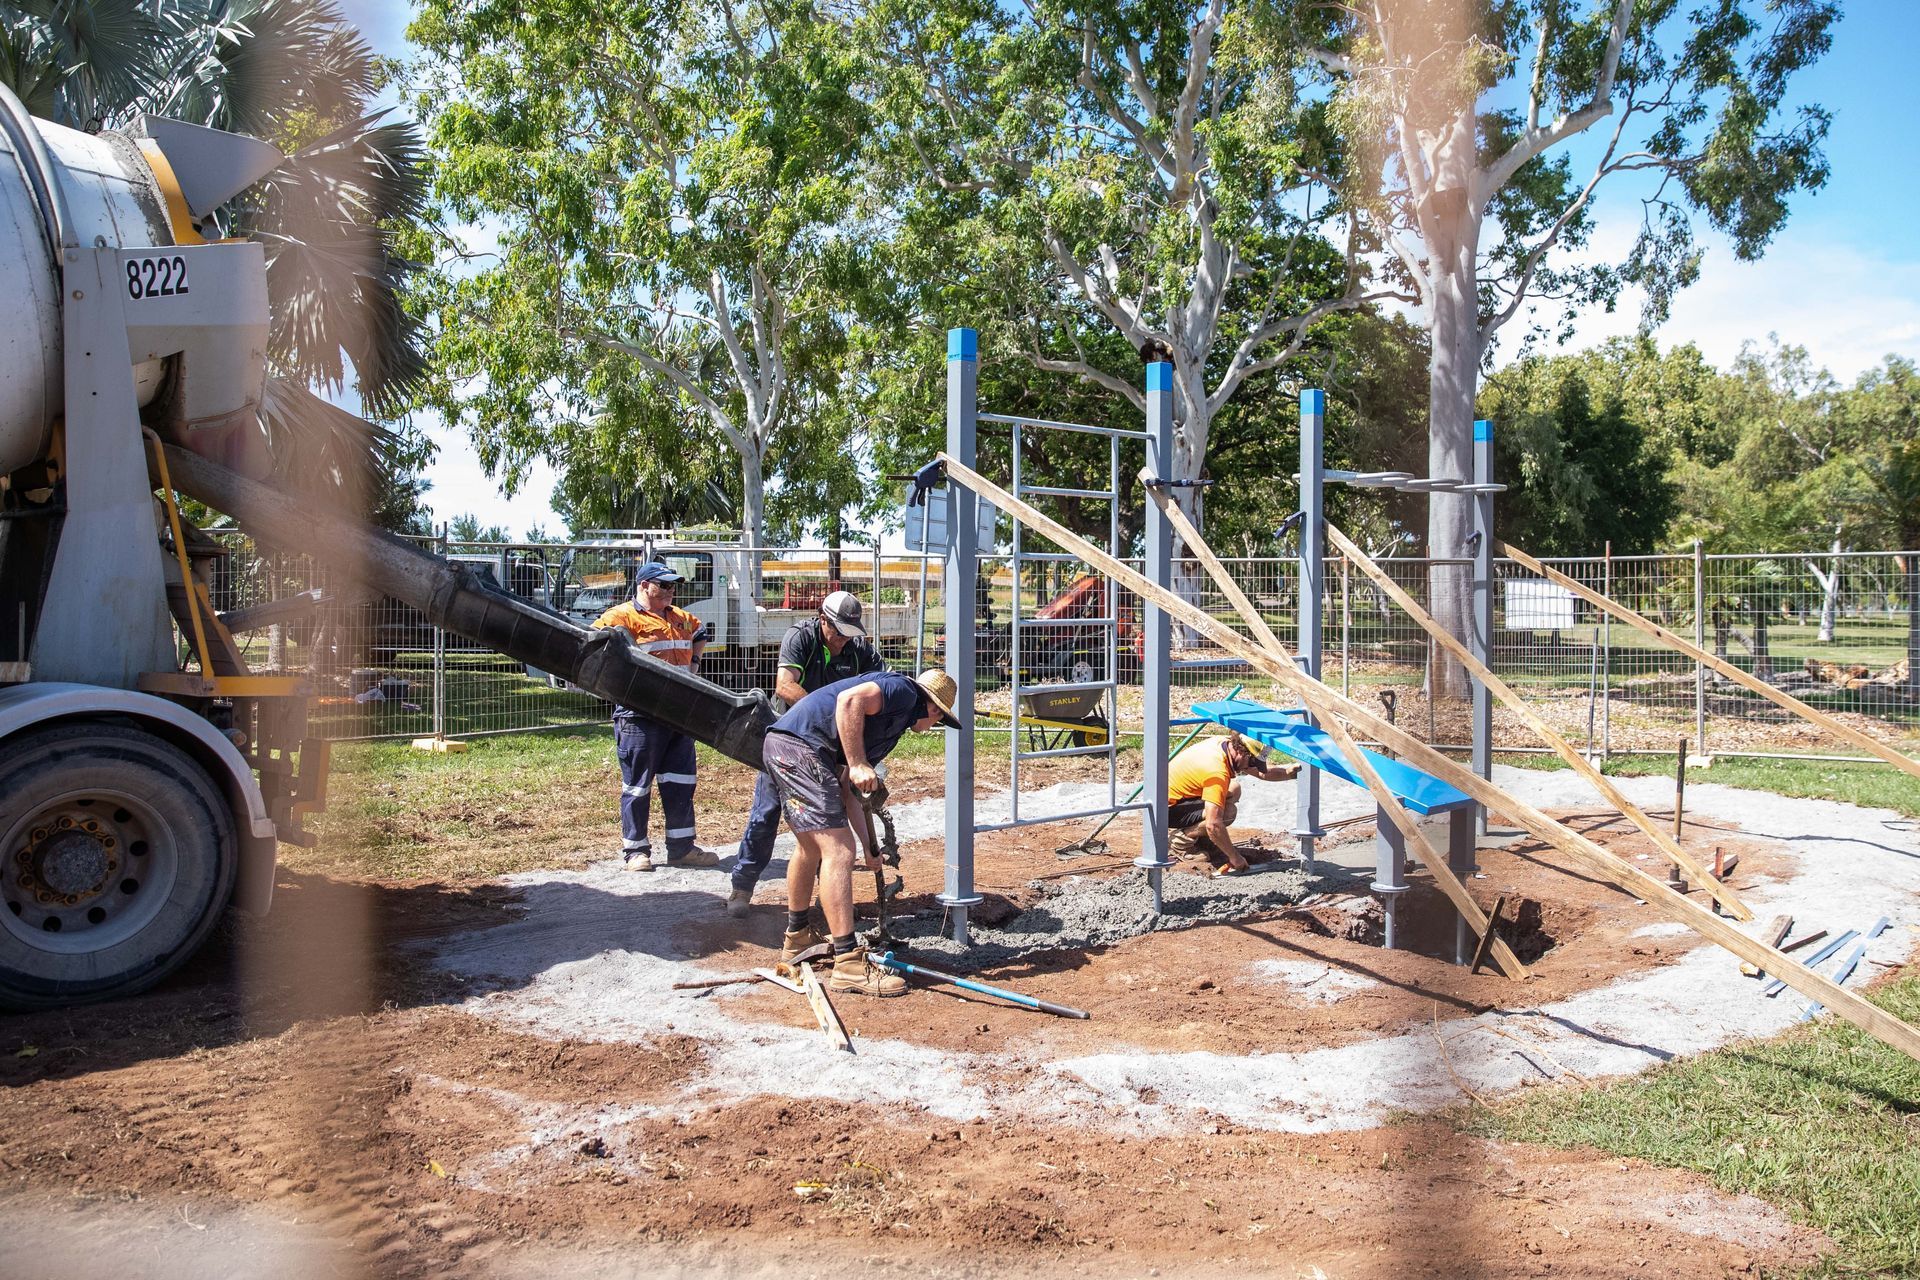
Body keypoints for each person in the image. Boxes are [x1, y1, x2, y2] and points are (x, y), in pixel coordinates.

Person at [761, 668, 962, 996]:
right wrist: (857, 763)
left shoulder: (890, 728)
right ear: (934, 708)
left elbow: (849, 791)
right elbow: (849, 700)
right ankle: (848, 964)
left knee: (811, 847)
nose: (933, 726)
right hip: (802, 749)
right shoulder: (903, 692)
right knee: (839, 850)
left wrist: (870, 847)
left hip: (787, 746)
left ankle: (797, 936)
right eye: (939, 719)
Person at [727, 590, 885, 917]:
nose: (843, 640)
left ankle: (826, 896)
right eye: (838, 632)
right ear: (822, 619)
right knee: (767, 812)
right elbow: (784, 685)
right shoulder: (800, 638)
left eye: (849, 633)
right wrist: (824, 713)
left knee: (828, 819)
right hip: (789, 741)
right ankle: (742, 885)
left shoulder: (859, 651)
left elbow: (881, 686)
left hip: (830, 747)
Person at [593, 560, 717, 872]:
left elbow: (700, 632)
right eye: (663, 585)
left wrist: (695, 663)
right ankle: (635, 851)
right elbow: (592, 642)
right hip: (640, 715)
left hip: (679, 715)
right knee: (638, 786)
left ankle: (682, 849)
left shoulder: (681, 618)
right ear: (644, 585)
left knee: (680, 782)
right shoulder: (622, 616)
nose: (670, 591)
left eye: (673, 585)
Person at [1167, 732, 1298, 875]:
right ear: (1243, 754)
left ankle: (1203, 840)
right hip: (1166, 809)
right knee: (1227, 813)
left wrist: (1288, 773)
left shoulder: (1225, 744)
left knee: (1234, 789)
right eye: (1252, 762)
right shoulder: (1216, 771)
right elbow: (1213, 824)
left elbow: (1261, 773)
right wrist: (1235, 857)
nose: (1252, 767)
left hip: (1177, 795)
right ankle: (1180, 841)